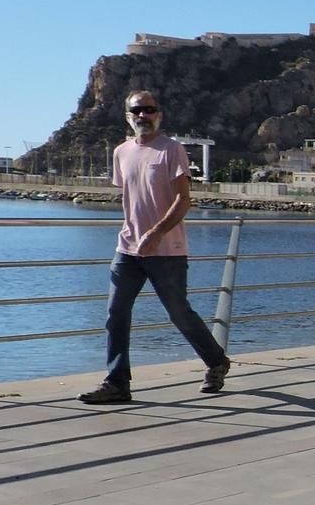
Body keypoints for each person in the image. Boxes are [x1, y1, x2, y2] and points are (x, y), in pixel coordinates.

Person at [78, 93, 232, 405]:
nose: (143, 115)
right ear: (127, 115)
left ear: (159, 115)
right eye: (137, 110)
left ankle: (216, 362)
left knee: (179, 313)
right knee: (115, 313)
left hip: (167, 250)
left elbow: (183, 200)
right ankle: (117, 383)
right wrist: (137, 235)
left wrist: (155, 233)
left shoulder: (172, 150)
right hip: (128, 249)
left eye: (150, 110)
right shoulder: (121, 152)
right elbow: (132, 197)